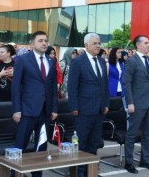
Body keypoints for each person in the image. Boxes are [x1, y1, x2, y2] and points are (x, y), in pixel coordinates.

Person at [12, 31, 58, 177]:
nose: (44, 43)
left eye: (46, 40)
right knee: (20, 145)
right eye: (40, 41)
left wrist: (54, 108)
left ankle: (36, 175)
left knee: (41, 146)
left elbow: (52, 88)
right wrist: (17, 110)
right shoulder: (23, 60)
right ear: (32, 44)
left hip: (45, 111)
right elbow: (16, 87)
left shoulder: (51, 61)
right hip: (26, 111)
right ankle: (14, 173)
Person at [67, 33, 108, 177]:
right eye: (95, 43)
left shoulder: (102, 62)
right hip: (83, 110)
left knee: (94, 143)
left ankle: (92, 172)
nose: (98, 46)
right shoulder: (78, 62)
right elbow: (72, 87)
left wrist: (105, 103)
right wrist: (74, 107)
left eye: (99, 43)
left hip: (98, 110)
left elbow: (104, 85)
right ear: (86, 45)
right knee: (81, 144)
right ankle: (80, 173)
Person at [122, 35, 149, 173]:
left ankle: (145, 160)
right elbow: (127, 83)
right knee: (132, 134)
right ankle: (129, 162)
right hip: (137, 103)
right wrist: (130, 102)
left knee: (147, 134)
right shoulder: (132, 61)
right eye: (146, 43)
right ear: (138, 45)